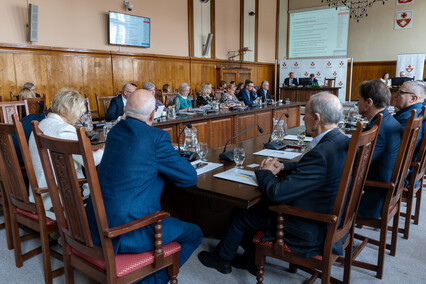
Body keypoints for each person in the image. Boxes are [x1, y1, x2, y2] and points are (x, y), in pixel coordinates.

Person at [198, 92, 350, 275]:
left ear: (316, 118)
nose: (304, 118)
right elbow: (317, 169)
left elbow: (277, 193)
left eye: (306, 114)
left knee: (243, 213)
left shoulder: (321, 153)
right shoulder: (341, 141)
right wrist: (284, 166)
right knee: (258, 207)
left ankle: (222, 259)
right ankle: (252, 259)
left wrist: (265, 172)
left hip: (312, 228)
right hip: (332, 216)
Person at [85, 89, 202, 284]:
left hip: (96, 222)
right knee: (195, 233)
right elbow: (189, 178)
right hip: (126, 231)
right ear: (152, 114)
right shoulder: (156, 138)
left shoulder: (114, 132)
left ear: (125, 108)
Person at [28, 88, 104, 220]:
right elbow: (92, 161)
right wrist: (105, 148)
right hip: (57, 197)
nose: (79, 118)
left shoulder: (41, 125)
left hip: (40, 192)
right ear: (73, 112)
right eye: (79, 114)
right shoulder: (65, 130)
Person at [356, 80, 403, 219]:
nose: (357, 102)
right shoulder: (388, 120)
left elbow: (357, 163)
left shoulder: (379, 129)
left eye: (359, 99)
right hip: (384, 188)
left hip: (373, 197)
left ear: (369, 102)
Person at [394, 81, 426, 181]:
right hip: (412, 170)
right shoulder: (420, 111)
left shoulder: (408, 118)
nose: (395, 95)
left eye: (400, 92)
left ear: (413, 98)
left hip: (404, 175)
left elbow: (397, 150)